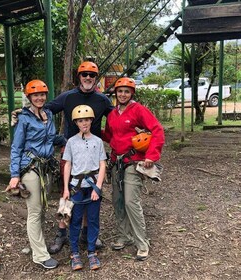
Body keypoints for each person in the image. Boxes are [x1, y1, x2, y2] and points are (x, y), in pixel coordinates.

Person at [44, 61, 113, 254]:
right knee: (66, 192)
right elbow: (46, 110)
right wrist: (26, 113)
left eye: (92, 75)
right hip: (70, 150)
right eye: (85, 74)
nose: (88, 78)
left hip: (93, 153)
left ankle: (86, 233)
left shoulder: (102, 100)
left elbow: (117, 117)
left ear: (96, 77)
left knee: (89, 192)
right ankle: (61, 233)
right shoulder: (68, 97)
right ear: (79, 77)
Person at [102, 77, 165, 261]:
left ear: (132, 94)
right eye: (120, 91)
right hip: (116, 162)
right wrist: (89, 129)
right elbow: (110, 136)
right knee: (117, 200)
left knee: (131, 202)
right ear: (115, 93)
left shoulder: (138, 110)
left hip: (132, 162)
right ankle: (125, 235)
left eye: (126, 91)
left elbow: (157, 130)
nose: (123, 94)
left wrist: (151, 156)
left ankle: (142, 242)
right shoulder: (113, 114)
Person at [5, 79, 59, 269]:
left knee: (42, 208)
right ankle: (40, 255)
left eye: (42, 94)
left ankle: (37, 244)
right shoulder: (24, 118)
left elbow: (52, 138)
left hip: (46, 167)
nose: (39, 98)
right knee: (35, 211)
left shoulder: (49, 114)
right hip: (31, 167)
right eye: (35, 95)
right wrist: (14, 174)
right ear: (29, 97)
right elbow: (16, 147)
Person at [62, 105, 106, 270]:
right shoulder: (71, 142)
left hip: (93, 185)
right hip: (77, 186)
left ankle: (91, 252)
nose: (84, 123)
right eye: (80, 121)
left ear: (91, 121)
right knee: (75, 220)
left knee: (93, 220)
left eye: (87, 120)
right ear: (76, 123)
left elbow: (102, 164)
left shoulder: (98, 141)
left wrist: (98, 188)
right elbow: (68, 165)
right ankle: (74, 253)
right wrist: (66, 188)